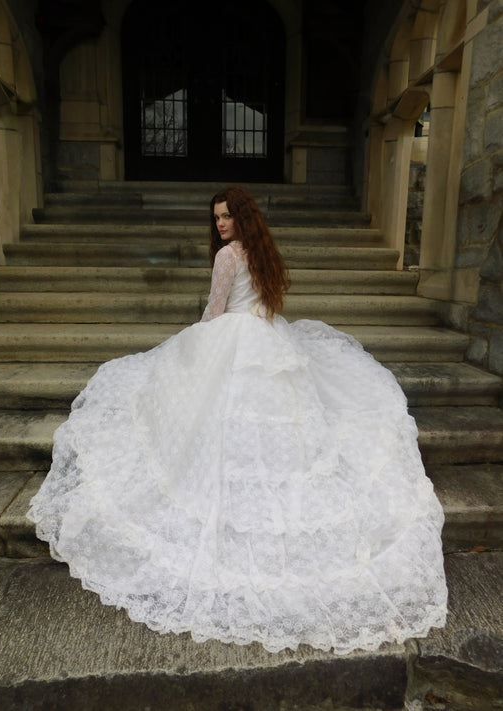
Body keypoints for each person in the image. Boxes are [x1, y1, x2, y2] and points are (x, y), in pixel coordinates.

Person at [27, 186, 447, 654]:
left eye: (227, 216)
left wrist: (194, 343)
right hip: (268, 337)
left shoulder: (228, 256)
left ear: (241, 218)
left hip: (236, 339)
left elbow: (215, 308)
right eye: (217, 218)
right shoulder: (263, 253)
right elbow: (266, 304)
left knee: (204, 412)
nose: (221, 224)